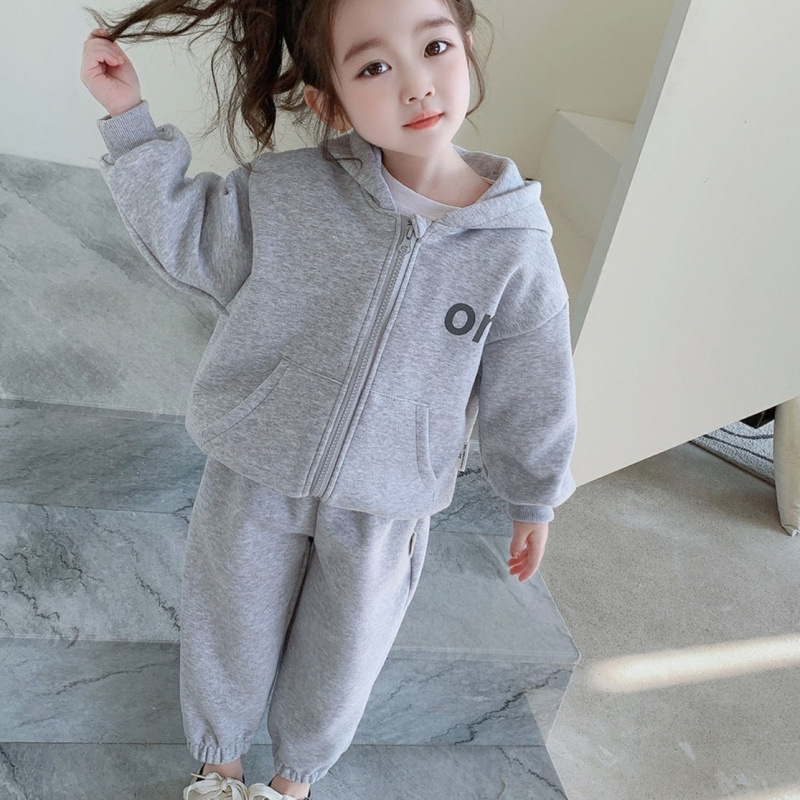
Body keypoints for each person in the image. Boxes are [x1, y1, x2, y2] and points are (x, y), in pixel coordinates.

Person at [80, 0, 577, 797]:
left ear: (467, 46)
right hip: (255, 472)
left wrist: (535, 495)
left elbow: (534, 385)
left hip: (385, 507)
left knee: (341, 663)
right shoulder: (290, 193)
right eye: (375, 66)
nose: (416, 84)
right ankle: (218, 768)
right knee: (226, 629)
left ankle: (294, 783)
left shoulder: (514, 249)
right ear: (329, 100)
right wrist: (129, 120)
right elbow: (191, 236)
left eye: (435, 47)